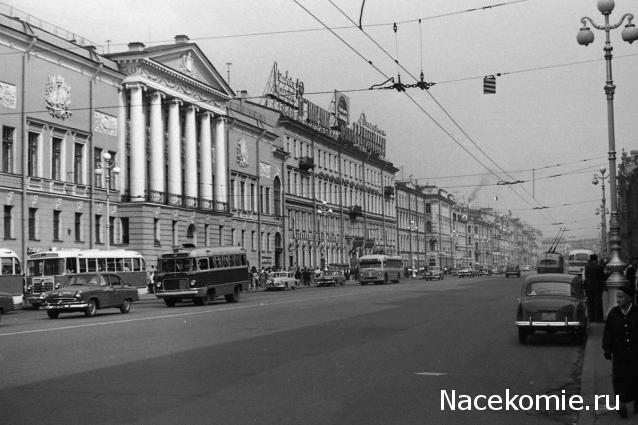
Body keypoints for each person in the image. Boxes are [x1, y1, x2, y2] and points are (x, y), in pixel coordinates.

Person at [602, 285, 638, 418]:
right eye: (617, 296)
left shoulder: (635, 313)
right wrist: (607, 348)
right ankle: (621, 405)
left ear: (629, 298)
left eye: (621, 297)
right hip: (619, 354)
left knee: (635, 378)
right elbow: (608, 333)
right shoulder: (613, 314)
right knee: (619, 379)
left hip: (635, 354)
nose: (618, 300)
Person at [584, 254, 606, 323]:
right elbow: (602, 277)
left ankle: (591, 318)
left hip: (589, 288)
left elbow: (586, 276)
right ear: (596, 259)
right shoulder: (599, 267)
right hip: (598, 288)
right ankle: (598, 318)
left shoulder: (587, 266)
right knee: (598, 303)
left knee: (590, 303)